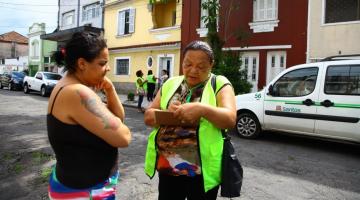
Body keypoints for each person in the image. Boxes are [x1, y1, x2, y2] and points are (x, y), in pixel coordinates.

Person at [144, 41, 236, 200]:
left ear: (211, 65)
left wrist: (202, 110)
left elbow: (230, 119)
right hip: (169, 168)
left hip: (203, 171)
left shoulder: (219, 83)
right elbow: (148, 116)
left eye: (201, 66)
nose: (193, 70)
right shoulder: (170, 83)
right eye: (188, 64)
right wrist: (166, 113)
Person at [47, 32, 131, 199]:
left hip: (77, 185)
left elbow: (118, 118)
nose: (107, 68)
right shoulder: (78, 92)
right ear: (82, 64)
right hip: (84, 191)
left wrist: (110, 89)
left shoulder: (68, 86)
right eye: (102, 63)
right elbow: (123, 137)